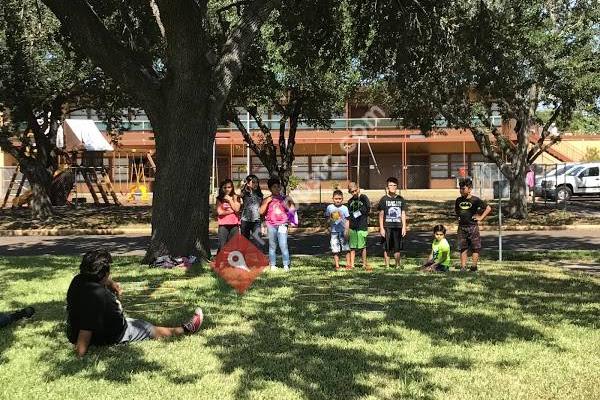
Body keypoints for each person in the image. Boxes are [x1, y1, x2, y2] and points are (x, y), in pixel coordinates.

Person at [66, 250, 204, 357]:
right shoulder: (98, 297)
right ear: (103, 274)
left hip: (79, 330)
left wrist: (112, 283)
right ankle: (185, 329)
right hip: (114, 333)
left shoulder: (78, 280)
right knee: (148, 328)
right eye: (108, 272)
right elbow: (86, 331)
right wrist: (80, 353)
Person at [455, 177, 492, 272]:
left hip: (473, 227)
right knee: (463, 247)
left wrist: (481, 217)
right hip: (462, 227)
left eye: (463, 188)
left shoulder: (475, 200)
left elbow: (488, 208)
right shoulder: (458, 200)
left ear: (470, 189)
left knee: (475, 247)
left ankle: (474, 267)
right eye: (460, 188)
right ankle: (463, 267)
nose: (461, 190)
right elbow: (458, 212)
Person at [259, 178, 295, 271]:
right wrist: (267, 202)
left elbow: (292, 210)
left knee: (283, 244)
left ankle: (286, 264)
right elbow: (261, 211)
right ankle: (273, 264)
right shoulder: (267, 199)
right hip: (271, 224)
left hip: (283, 224)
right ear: (270, 189)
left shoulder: (284, 198)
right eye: (274, 187)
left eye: (278, 186)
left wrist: (288, 205)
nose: (277, 188)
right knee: (272, 245)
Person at [377, 177, 408, 268]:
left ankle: (397, 265)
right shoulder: (384, 199)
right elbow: (381, 215)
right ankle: (387, 266)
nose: (393, 187)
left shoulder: (400, 199)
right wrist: (381, 228)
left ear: (397, 186)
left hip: (398, 226)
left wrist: (404, 227)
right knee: (387, 247)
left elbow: (403, 213)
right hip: (387, 227)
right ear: (387, 187)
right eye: (390, 185)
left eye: (395, 185)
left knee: (397, 247)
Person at [347, 182, 371, 271]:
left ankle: (364, 264)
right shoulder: (350, 201)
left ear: (358, 188)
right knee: (352, 246)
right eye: (352, 191)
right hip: (352, 227)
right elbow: (348, 214)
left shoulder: (363, 197)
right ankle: (352, 264)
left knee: (362, 246)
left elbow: (367, 208)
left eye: (355, 190)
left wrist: (355, 214)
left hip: (362, 225)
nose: (354, 193)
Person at [325, 189, 351, 270]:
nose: (338, 200)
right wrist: (327, 227)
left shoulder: (345, 208)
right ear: (333, 199)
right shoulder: (329, 207)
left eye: (339, 199)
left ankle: (348, 264)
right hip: (334, 232)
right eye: (336, 199)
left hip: (343, 231)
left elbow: (347, 220)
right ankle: (337, 265)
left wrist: (347, 230)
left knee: (346, 248)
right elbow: (327, 219)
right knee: (335, 249)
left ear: (342, 199)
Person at [216, 179, 241, 252]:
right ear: (222, 188)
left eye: (229, 187)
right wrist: (230, 211)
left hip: (234, 224)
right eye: (225, 187)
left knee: (234, 246)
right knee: (222, 245)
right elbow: (219, 212)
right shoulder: (219, 198)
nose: (227, 189)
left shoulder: (236, 197)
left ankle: (232, 262)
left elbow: (237, 209)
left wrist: (230, 200)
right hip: (223, 224)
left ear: (232, 187)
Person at [240, 174, 264, 247]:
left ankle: (257, 258)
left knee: (258, 242)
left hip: (257, 221)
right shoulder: (244, 193)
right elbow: (239, 195)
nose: (255, 184)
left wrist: (263, 224)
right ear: (248, 183)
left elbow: (261, 209)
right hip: (245, 220)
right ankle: (244, 257)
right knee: (244, 243)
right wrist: (244, 187)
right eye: (253, 182)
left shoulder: (260, 194)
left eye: (257, 182)